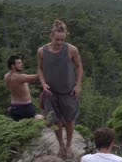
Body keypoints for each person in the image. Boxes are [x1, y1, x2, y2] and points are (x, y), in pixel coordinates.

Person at [38, 19, 83, 159]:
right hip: (50, 92)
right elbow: (39, 68)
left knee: (69, 120)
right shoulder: (42, 51)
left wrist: (78, 85)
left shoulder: (71, 49)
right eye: (57, 39)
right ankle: (61, 145)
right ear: (51, 36)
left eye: (62, 39)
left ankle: (69, 145)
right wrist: (43, 83)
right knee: (56, 120)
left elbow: (79, 66)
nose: (59, 42)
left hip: (68, 91)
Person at [3, 55, 43, 121]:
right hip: (25, 107)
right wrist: (42, 67)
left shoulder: (6, 76)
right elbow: (37, 76)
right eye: (19, 63)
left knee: (20, 128)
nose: (22, 64)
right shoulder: (20, 77)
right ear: (12, 66)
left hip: (14, 106)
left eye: (21, 62)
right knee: (37, 122)